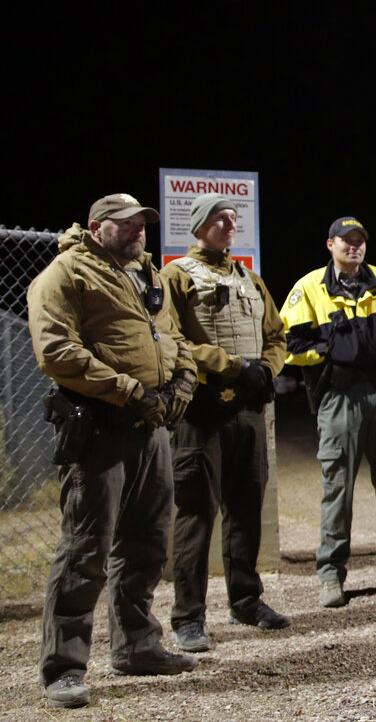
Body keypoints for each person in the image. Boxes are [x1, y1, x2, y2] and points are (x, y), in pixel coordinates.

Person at [27, 194, 200, 709]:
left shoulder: (147, 275)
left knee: (148, 544)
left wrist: (183, 383)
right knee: (86, 550)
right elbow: (56, 350)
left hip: (153, 431)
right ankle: (63, 669)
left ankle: (138, 647)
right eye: (125, 225)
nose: (137, 232)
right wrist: (129, 390)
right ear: (97, 227)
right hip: (101, 430)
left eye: (142, 224)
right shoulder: (66, 273)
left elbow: (175, 338)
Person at [160, 193, 291, 653]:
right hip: (203, 410)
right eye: (220, 217)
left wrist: (268, 370)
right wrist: (233, 366)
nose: (230, 223)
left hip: (249, 410)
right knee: (196, 511)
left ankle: (246, 600)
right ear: (199, 226)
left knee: (247, 505)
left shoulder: (250, 279)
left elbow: (278, 335)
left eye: (233, 217)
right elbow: (169, 338)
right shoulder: (175, 275)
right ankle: (188, 616)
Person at [280, 216, 376, 608]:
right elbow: (288, 344)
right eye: (346, 241)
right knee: (338, 490)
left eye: (360, 241)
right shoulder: (309, 287)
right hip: (339, 397)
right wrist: (331, 351)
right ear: (329, 245)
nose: (354, 247)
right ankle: (331, 576)